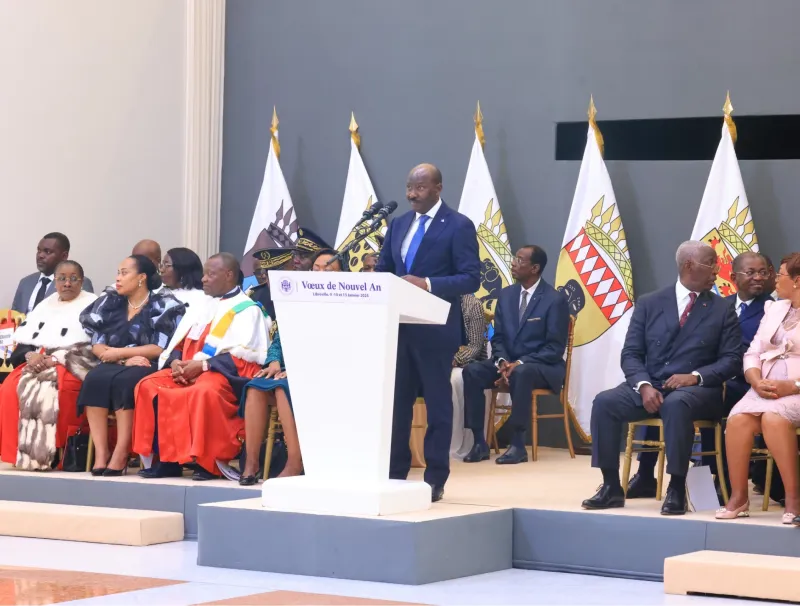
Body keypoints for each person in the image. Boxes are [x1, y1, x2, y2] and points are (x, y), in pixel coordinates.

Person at [581, 241, 741, 515]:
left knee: (676, 404)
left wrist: (695, 376)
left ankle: (676, 486)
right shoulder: (650, 302)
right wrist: (642, 385)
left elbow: (732, 359)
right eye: (712, 263)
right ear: (689, 265)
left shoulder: (721, 308)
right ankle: (610, 486)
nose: (718, 270)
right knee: (605, 402)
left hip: (700, 391)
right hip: (652, 383)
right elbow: (631, 352)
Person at [376, 163, 480, 501]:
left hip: (436, 331)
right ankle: (394, 473)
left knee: (437, 405)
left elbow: (470, 278)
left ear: (437, 187)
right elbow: (384, 271)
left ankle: (435, 476)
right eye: (409, 187)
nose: (411, 194)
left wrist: (427, 283)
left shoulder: (459, 226)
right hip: (399, 330)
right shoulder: (399, 224)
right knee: (396, 406)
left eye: (419, 187)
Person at [132, 253, 269, 480]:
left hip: (221, 375)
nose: (203, 279)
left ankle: (207, 463)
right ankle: (167, 460)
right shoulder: (200, 306)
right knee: (149, 385)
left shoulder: (247, 310)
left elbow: (245, 361)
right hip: (188, 369)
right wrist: (176, 362)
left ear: (229, 275)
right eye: (204, 274)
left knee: (204, 390)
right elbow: (180, 342)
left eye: (210, 274)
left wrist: (203, 366)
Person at [78, 255, 185, 476]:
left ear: (141, 278)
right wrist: (121, 357)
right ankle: (101, 453)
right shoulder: (110, 301)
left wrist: (120, 354)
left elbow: (158, 347)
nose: (117, 278)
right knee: (94, 379)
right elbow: (97, 343)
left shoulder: (163, 304)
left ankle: (121, 451)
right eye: (118, 272)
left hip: (149, 363)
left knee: (126, 382)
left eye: (124, 273)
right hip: (116, 360)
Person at [462, 246, 569, 464]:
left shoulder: (554, 300)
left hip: (541, 365)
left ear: (535, 268)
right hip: (508, 362)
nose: (513, 263)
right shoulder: (507, 294)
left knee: (522, 372)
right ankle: (479, 442)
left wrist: (518, 362)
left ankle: (518, 444)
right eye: (514, 259)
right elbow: (498, 337)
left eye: (520, 260)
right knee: (472, 371)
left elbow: (554, 348)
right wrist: (502, 361)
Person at [716, 253, 800, 524]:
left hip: (796, 390)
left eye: (781, 275)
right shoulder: (775, 308)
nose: (774, 279)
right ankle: (738, 497)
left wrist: (792, 385)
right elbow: (753, 351)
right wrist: (754, 379)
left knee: (774, 419)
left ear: (797, 281)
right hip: (764, 387)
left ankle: (793, 498)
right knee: (738, 419)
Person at [0, 261, 97, 469]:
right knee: (9, 387)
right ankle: (18, 453)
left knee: (52, 390)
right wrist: (31, 356)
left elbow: (95, 347)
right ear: (55, 281)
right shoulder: (45, 304)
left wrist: (56, 358)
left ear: (82, 281)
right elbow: (25, 342)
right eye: (62, 278)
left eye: (73, 279)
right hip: (38, 360)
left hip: (73, 363)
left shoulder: (93, 305)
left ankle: (52, 454)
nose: (67, 283)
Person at [238, 328, 300, 485]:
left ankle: (295, 462)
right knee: (255, 387)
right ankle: (251, 463)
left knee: (281, 389)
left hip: (312, 371)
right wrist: (274, 361)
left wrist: (298, 369)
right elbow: (278, 341)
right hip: (283, 371)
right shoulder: (293, 307)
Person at [11, 232, 94, 313]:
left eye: (47, 252)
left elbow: (84, 317)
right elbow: (13, 317)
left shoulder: (77, 282)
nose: (40, 256)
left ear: (64, 256)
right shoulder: (25, 282)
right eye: (39, 251)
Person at [449, 293, 488, 459]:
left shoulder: (472, 304)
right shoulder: (430, 299)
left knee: (454, 379)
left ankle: (456, 442)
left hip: (465, 363)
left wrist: (452, 360)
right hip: (433, 360)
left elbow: (474, 347)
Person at [246, 248, 293, 321]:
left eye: (275, 272)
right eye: (266, 272)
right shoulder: (256, 297)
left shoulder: (304, 291)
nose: (265, 276)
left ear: (291, 267)